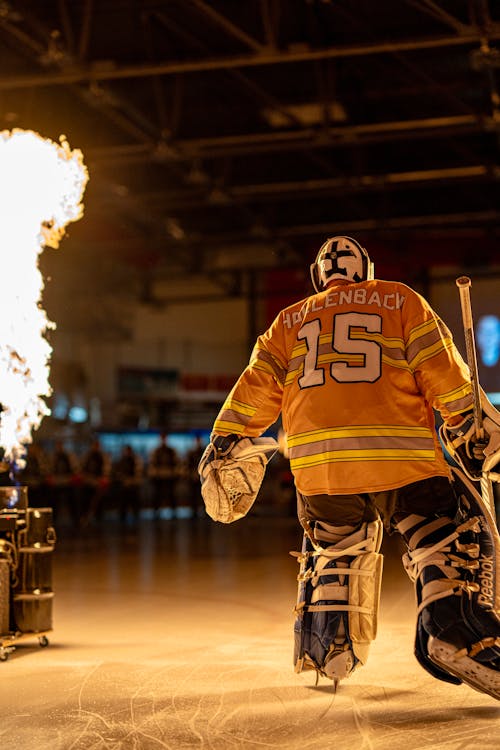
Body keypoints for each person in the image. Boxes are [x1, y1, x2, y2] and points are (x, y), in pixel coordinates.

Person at [199, 235, 500, 699]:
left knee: (335, 545)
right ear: (366, 269)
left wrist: (224, 440)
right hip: (400, 462)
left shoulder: (287, 321)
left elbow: (254, 390)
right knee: (449, 528)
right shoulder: (400, 300)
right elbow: (442, 372)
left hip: (320, 474)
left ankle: (329, 642)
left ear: (321, 276)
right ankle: (455, 629)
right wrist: (469, 422)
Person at [147, 432, 180, 518]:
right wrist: (154, 474)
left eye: (164, 438)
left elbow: (176, 463)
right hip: (159, 477)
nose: (163, 440)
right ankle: (156, 512)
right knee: (157, 496)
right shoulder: (156, 451)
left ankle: (173, 512)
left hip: (169, 476)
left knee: (171, 495)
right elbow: (152, 463)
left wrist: (175, 474)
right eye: (162, 438)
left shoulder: (171, 451)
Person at [111, 444, 143, 524]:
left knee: (134, 501)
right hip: (123, 485)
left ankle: (136, 516)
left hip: (133, 485)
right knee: (123, 502)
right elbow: (117, 472)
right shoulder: (121, 460)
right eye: (125, 451)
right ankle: (122, 517)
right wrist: (122, 480)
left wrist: (132, 481)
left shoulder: (135, 460)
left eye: (128, 451)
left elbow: (138, 472)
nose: (126, 453)